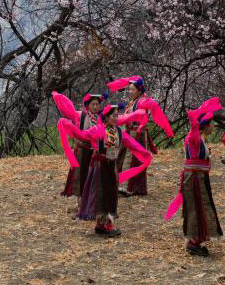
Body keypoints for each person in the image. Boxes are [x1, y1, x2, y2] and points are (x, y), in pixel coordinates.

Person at [57, 105, 152, 237]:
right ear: (106, 117)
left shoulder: (119, 132)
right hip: (99, 166)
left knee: (111, 194)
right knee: (100, 194)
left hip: (111, 167)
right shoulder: (97, 130)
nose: (116, 118)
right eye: (113, 115)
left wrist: (145, 153)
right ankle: (103, 224)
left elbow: (131, 143)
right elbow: (82, 135)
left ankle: (105, 223)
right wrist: (67, 125)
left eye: (117, 115)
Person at [164, 97, 224, 256]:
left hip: (200, 178)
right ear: (204, 126)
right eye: (211, 123)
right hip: (193, 179)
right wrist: (194, 122)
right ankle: (193, 242)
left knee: (201, 207)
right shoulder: (194, 139)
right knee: (195, 208)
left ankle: (197, 240)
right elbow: (193, 134)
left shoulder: (201, 140)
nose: (213, 126)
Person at [107, 76, 174, 197]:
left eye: (132, 89)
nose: (130, 92)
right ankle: (122, 184)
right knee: (122, 158)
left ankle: (128, 187)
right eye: (129, 89)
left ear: (139, 90)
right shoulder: (133, 101)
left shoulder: (142, 101)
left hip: (137, 135)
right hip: (128, 134)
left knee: (132, 160)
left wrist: (166, 129)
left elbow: (154, 113)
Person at [52, 91, 105, 201]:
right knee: (80, 174)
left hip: (95, 150)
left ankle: (92, 197)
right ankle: (79, 198)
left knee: (94, 174)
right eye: (93, 104)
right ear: (87, 105)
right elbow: (68, 112)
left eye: (97, 104)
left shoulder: (101, 118)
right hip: (82, 149)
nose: (95, 107)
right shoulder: (80, 115)